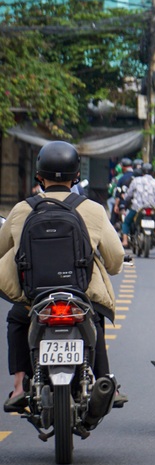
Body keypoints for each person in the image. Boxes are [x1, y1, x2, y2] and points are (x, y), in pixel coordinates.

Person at [0, 141, 127, 411]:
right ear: (77, 176)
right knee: (96, 318)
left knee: (17, 318)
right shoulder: (93, 210)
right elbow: (115, 259)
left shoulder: (22, 209)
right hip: (80, 294)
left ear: (39, 176)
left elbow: (1, 250)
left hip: (34, 297)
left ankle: (20, 385)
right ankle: (106, 382)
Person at [121, 162, 155, 248]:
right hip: (152, 208)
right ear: (152, 172)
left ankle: (125, 241)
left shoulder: (136, 181)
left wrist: (126, 198)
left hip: (137, 208)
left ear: (142, 171)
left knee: (126, 222)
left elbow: (128, 195)